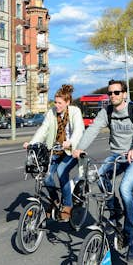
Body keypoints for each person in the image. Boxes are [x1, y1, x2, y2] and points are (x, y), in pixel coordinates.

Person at [73, 79, 133, 263]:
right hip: (117, 155)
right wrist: (80, 148)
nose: (113, 96)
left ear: (124, 94)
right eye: (110, 93)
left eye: (117, 92)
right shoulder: (106, 111)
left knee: (125, 189)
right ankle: (116, 211)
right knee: (98, 177)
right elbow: (92, 129)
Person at [25, 84, 85, 221]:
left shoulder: (75, 111)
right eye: (55, 102)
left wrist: (70, 142)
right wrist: (32, 143)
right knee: (46, 175)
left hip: (72, 150)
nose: (56, 105)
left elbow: (79, 130)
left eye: (60, 103)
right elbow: (43, 129)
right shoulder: (51, 112)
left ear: (67, 102)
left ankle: (68, 205)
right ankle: (55, 201)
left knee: (62, 171)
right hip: (55, 150)